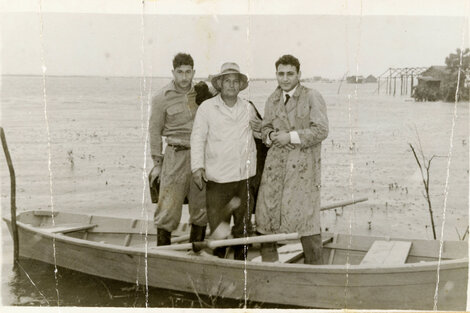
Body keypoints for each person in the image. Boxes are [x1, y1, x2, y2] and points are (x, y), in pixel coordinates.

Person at [255, 55, 329, 264]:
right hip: (275, 168)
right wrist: (270, 136)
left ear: (299, 74)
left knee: (307, 222)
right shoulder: (273, 99)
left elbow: (322, 129)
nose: (285, 79)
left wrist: (291, 137)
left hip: (303, 170)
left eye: (290, 74)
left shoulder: (312, 96)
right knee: (266, 219)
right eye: (281, 74)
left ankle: (316, 273)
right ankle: (270, 271)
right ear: (276, 74)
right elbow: (265, 128)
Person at [190, 62, 258, 260]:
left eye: (235, 81)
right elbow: (198, 138)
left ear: (240, 85)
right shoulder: (207, 108)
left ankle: (241, 267)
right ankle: (217, 266)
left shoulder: (248, 107)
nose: (231, 85)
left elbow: (261, 133)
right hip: (218, 180)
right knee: (219, 229)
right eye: (227, 81)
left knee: (243, 228)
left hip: (244, 178)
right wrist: (197, 167)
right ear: (219, 84)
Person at [148, 53, 208, 246]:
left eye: (188, 72)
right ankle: (162, 254)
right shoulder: (161, 97)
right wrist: (157, 164)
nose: (184, 77)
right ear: (173, 72)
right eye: (180, 72)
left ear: (194, 72)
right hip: (175, 155)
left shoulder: (202, 93)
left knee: (201, 209)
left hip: (200, 157)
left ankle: (195, 254)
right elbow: (154, 131)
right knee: (168, 209)